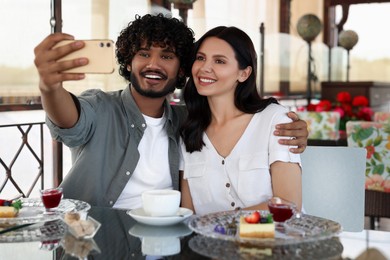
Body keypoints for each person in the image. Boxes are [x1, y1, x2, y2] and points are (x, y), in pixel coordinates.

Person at [34, 14, 307, 209]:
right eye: (143, 54)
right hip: (96, 239)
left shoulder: (186, 121)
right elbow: (68, 120)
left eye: (166, 56)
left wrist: (294, 127)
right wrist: (49, 87)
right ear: (128, 62)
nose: (154, 64)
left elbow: (286, 201)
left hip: (170, 242)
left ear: (181, 69)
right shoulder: (101, 106)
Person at [180, 26, 302, 215]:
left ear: (243, 74)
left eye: (219, 61)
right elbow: (187, 214)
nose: (205, 68)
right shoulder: (189, 131)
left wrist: (221, 224)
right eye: (200, 58)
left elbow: (288, 205)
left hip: (276, 241)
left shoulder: (275, 120)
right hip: (209, 244)